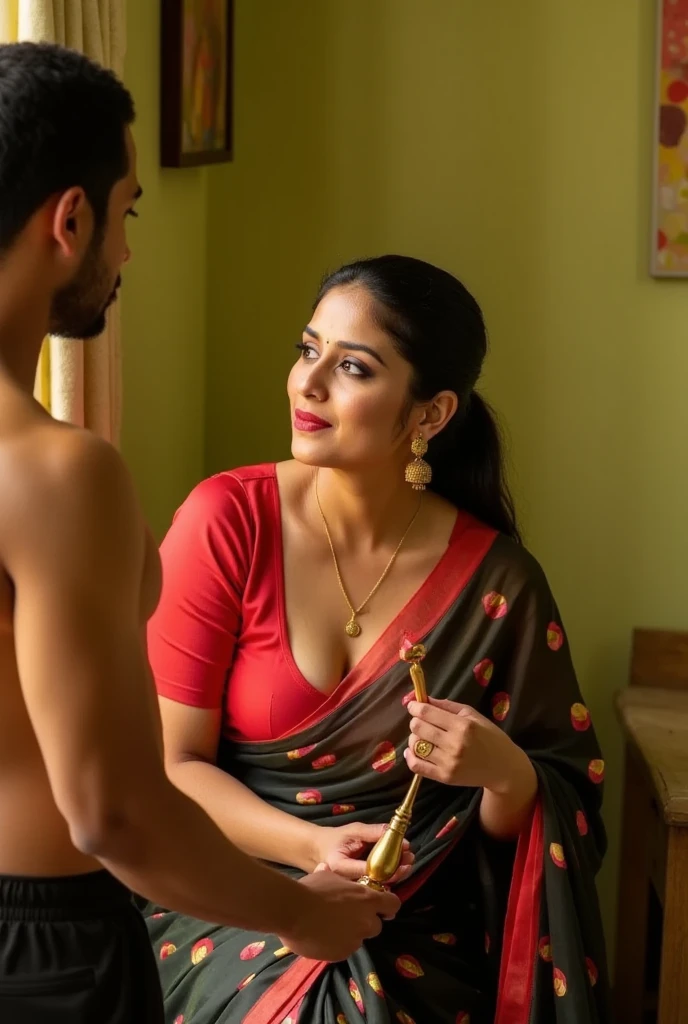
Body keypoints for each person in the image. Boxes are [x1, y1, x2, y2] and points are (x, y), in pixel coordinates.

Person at [0, 43, 399, 1024]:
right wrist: (298, 915)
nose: (127, 252)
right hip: (40, 947)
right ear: (71, 218)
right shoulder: (55, 472)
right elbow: (112, 812)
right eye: (128, 213)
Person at [145, 254, 611, 1023]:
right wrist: (309, 853)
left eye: (353, 367)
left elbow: (548, 814)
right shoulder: (227, 522)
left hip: (417, 911)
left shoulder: (498, 583)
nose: (309, 382)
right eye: (307, 350)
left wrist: (506, 774)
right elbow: (171, 765)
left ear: (429, 415)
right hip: (237, 890)